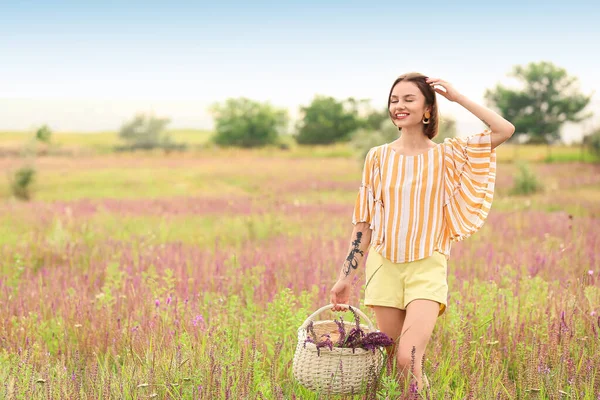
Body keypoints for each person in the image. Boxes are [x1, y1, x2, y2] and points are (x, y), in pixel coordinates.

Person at [329, 72, 515, 393]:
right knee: (390, 364)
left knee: (408, 358)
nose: (398, 106)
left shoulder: (447, 155)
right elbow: (364, 223)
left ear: (428, 109)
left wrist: (456, 97)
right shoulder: (377, 156)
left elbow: (503, 129)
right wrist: (345, 277)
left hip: (427, 266)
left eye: (408, 99)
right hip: (383, 267)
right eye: (393, 100)